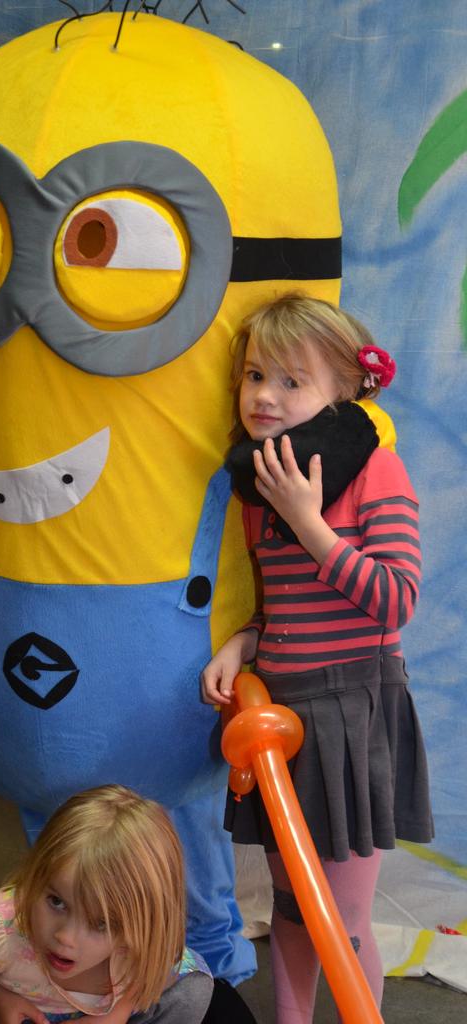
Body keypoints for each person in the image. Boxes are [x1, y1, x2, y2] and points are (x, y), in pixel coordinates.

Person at [201, 294, 433, 1023]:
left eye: (291, 381)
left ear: (345, 390)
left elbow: (395, 600)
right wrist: (243, 642)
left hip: (354, 712)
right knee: (293, 908)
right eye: (254, 375)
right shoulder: (262, 485)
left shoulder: (375, 472)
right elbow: (285, 605)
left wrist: (310, 523)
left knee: (343, 914)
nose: (264, 395)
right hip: (282, 717)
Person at [0, 784, 214, 1023]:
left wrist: (116, 1013)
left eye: (101, 923)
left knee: (193, 989)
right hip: (3, 1008)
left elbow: (160, 969)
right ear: (36, 873)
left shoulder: (144, 942)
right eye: (56, 902)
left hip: (99, 1013)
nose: (65, 937)